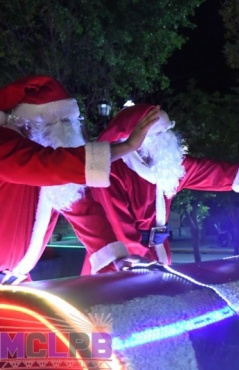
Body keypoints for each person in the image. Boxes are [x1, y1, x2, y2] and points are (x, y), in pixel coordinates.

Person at [0, 75, 159, 284]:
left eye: (69, 122)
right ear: (30, 121)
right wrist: (126, 147)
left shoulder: (47, 159)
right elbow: (51, 164)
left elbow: (83, 210)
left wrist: (118, 260)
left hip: (16, 284)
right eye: (58, 122)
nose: (66, 131)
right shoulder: (8, 146)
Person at [88, 103, 239, 268]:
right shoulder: (114, 169)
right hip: (122, 260)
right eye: (156, 134)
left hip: (158, 254)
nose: (165, 139)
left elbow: (207, 171)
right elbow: (117, 225)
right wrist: (140, 263)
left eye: (165, 132)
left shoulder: (168, 165)